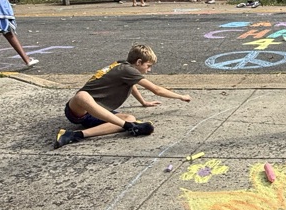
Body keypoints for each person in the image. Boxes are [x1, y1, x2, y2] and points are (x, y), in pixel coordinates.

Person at [54, 44, 191, 148]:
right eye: (148, 66)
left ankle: (75, 135)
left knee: (130, 117)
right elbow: (156, 89)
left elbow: (131, 85)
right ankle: (129, 126)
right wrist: (180, 96)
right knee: (82, 95)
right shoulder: (126, 69)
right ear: (138, 62)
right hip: (79, 110)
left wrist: (143, 102)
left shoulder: (123, 66)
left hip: (97, 114)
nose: (149, 70)